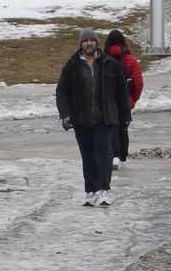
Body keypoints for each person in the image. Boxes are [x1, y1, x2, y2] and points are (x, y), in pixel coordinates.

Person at [55, 28, 130, 207]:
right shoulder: (72, 65)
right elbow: (62, 91)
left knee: (103, 152)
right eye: (85, 41)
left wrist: (125, 116)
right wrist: (65, 115)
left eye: (92, 40)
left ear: (97, 43)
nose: (89, 43)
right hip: (82, 120)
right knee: (88, 155)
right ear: (81, 44)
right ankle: (91, 191)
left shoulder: (110, 64)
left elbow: (122, 93)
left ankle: (104, 189)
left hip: (106, 119)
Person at [104, 30, 143, 168]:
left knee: (111, 128)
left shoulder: (104, 59)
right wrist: (132, 99)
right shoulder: (130, 60)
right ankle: (123, 156)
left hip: (108, 101)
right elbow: (138, 83)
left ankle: (114, 155)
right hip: (125, 100)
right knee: (123, 128)